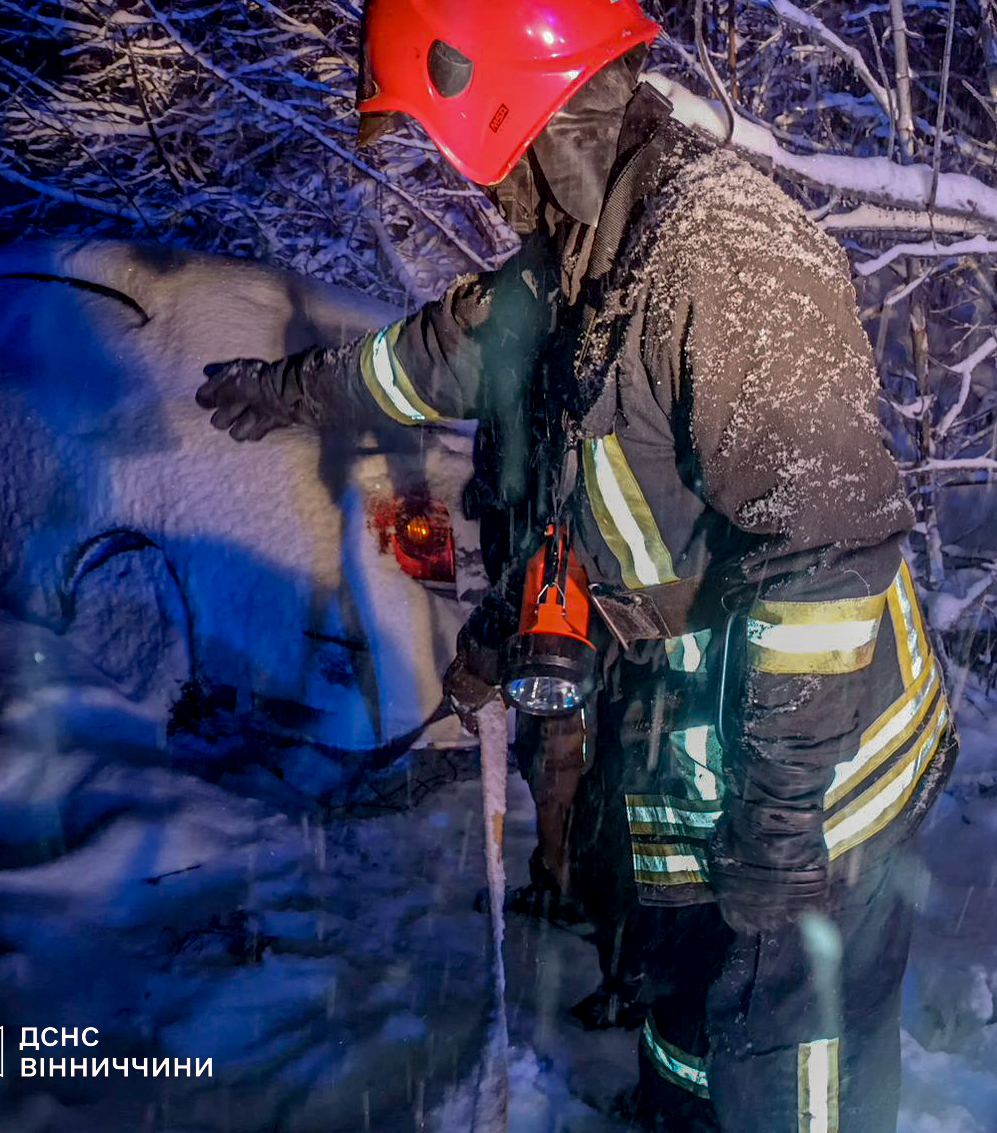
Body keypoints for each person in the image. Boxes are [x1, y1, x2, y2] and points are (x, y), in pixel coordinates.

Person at [195, 2, 958, 1129]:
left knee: (787, 1078)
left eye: (445, 135)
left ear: (494, 89)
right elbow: (427, 363)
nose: (456, 173)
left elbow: (825, 560)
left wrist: (780, 832)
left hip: (811, 788)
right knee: (685, 1032)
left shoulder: (724, 256)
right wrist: (290, 392)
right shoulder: (580, 264)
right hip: (687, 755)